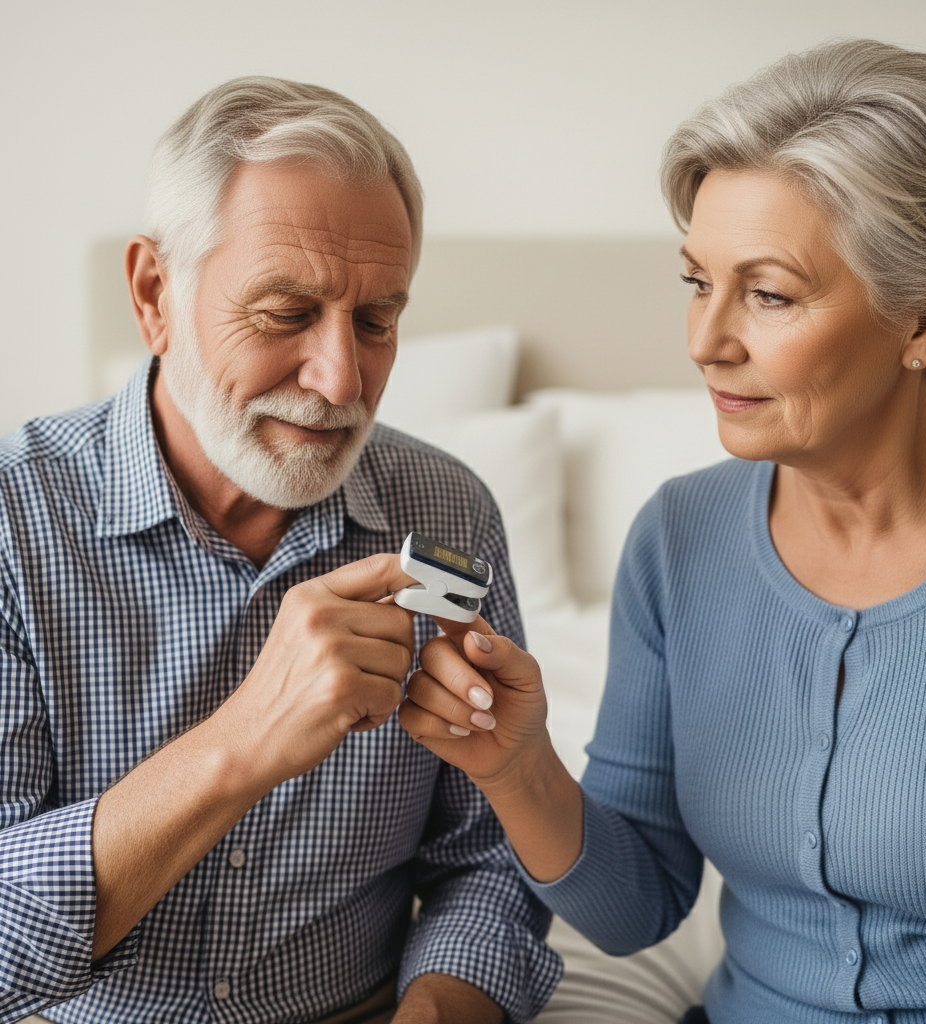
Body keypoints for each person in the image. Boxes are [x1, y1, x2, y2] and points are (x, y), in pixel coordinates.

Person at [398, 38, 926, 1024]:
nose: (705, 340)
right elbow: (638, 898)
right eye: (697, 281)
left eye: (768, 293)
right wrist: (514, 765)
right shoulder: (679, 539)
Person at [0, 77, 560, 1024]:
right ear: (154, 294)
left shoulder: (450, 517)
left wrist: (437, 1010)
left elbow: (487, 861)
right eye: (285, 312)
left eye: (377, 320)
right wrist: (247, 739)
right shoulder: (15, 524)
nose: (342, 380)